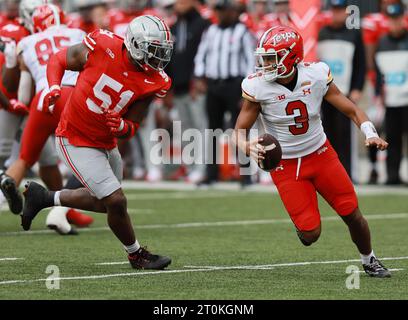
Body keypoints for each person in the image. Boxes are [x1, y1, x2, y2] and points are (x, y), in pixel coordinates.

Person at [234, 25, 390, 277]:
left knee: (351, 212)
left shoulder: (316, 75)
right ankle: (304, 225)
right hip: (285, 164)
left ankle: (369, 259)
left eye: (271, 58)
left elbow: (351, 109)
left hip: (321, 154)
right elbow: (240, 129)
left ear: (292, 56)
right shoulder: (258, 86)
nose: (264, 64)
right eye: (263, 58)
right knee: (310, 234)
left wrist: (370, 132)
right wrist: (244, 145)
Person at [20, 15, 173, 270]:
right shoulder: (102, 45)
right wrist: (53, 87)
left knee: (106, 204)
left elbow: (134, 124)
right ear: (135, 44)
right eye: (153, 51)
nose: (159, 59)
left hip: (106, 141)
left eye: (162, 52)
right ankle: (136, 255)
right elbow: (59, 59)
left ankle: (44, 197)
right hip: (75, 136)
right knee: (115, 201)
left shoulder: (156, 81)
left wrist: (123, 127)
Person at [0, 3, 94, 234]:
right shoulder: (77, 34)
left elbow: (22, 92)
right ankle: (60, 210)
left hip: (42, 99)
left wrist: (22, 104)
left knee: (24, 159)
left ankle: (63, 211)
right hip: (72, 96)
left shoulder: (26, 42)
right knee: (93, 156)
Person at [194, 0, 255, 186]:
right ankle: (211, 173)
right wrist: (199, 77)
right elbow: (201, 55)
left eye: (223, 10)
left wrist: (246, 90)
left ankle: (245, 174)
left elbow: (250, 61)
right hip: (214, 85)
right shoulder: (210, 31)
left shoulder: (242, 32)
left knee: (240, 129)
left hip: (234, 85)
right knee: (212, 129)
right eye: (218, 11)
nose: (220, 14)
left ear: (233, 11)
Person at [317, 0, 366, 181]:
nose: (336, 14)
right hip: (323, 93)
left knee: (345, 134)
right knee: (326, 134)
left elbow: (360, 64)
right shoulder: (322, 33)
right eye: (334, 10)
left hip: (344, 92)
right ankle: (329, 174)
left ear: (346, 12)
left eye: (340, 10)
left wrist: (357, 88)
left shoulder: (353, 35)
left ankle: (346, 173)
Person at [375, 2, 408, 185]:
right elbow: (380, 73)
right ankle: (392, 176)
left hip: (407, 100)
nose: (394, 24)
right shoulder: (382, 42)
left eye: (397, 20)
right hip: (391, 101)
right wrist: (378, 93)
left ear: (403, 19)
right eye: (391, 20)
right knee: (392, 139)